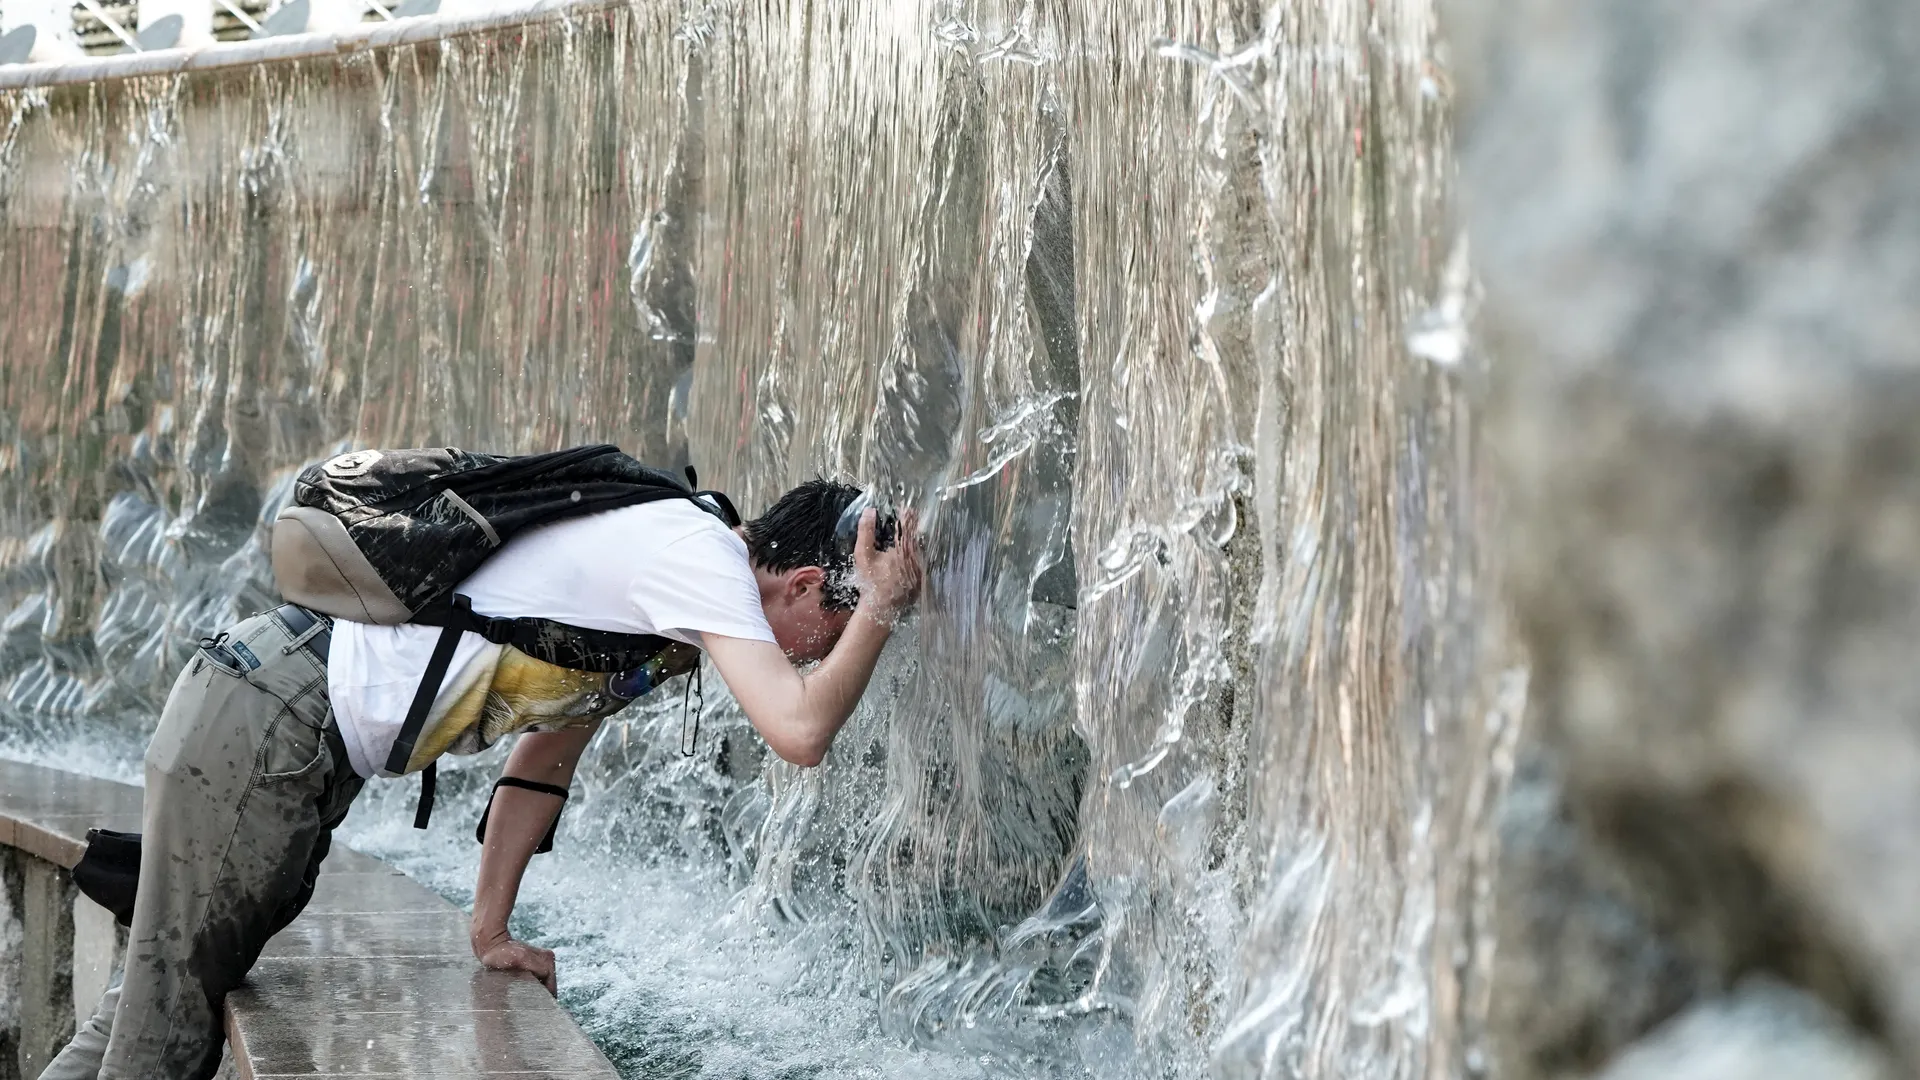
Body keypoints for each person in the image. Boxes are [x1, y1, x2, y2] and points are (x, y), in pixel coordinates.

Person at [45, 477, 923, 1080]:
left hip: (285, 729)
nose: (823, 659)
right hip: (272, 716)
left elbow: (544, 755)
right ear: (809, 584)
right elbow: (801, 732)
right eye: (833, 634)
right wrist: (881, 611)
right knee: (163, 1038)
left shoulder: (677, 604)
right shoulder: (700, 564)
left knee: (155, 1004)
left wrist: (489, 927)